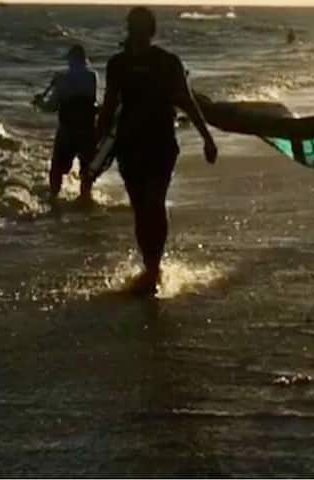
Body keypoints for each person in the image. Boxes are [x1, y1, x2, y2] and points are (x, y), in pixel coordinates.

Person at [96, 6, 219, 295]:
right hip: (129, 144)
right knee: (141, 208)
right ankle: (150, 265)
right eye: (133, 27)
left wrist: (207, 138)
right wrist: (96, 144)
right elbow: (109, 107)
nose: (137, 32)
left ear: (148, 30)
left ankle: (153, 269)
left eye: (140, 27)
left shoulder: (167, 62)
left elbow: (187, 101)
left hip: (161, 143)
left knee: (154, 202)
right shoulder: (118, 64)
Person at [33, 45, 100, 204]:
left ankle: (54, 197)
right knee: (86, 168)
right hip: (88, 130)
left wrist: (39, 103)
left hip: (68, 130)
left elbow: (52, 107)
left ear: (70, 60)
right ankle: (85, 197)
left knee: (57, 168)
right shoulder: (92, 76)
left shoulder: (62, 79)